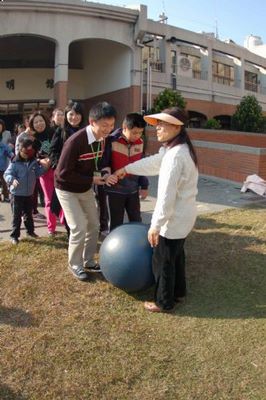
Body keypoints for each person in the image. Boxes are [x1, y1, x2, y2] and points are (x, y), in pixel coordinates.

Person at [114, 107, 198, 313]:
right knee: (176, 257)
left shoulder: (176, 155)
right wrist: (127, 168)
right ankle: (178, 292)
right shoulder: (175, 149)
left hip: (174, 218)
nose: (158, 127)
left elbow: (166, 197)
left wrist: (155, 225)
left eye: (163, 123)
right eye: (157, 123)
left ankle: (164, 302)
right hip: (183, 216)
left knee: (163, 262)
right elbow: (153, 163)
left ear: (177, 127)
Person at [54, 101, 117, 281]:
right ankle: (75, 264)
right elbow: (62, 174)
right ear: (92, 122)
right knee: (79, 227)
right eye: (105, 125)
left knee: (94, 225)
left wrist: (104, 173)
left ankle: (88, 260)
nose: (109, 129)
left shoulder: (102, 140)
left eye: (112, 125)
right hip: (66, 189)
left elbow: (95, 164)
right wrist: (92, 179)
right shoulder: (74, 142)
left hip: (84, 187)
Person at [101, 112, 149, 231]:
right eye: (134, 132)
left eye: (140, 132)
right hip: (115, 190)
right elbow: (102, 163)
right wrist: (106, 176)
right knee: (116, 224)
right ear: (124, 128)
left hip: (133, 190)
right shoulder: (110, 141)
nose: (137, 136)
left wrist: (144, 185)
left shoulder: (141, 143)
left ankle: (137, 247)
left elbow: (142, 165)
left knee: (136, 221)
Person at [4, 138, 50, 245]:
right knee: (16, 216)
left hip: (29, 194)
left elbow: (38, 173)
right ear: (20, 151)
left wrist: (45, 168)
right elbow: (7, 174)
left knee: (28, 215)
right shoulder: (15, 163)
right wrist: (12, 180)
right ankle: (14, 236)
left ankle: (30, 232)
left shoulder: (33, 162)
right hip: (16, 195)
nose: (27, 154)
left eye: (30, 152)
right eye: (25, 151)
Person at [49, 102, 85, 236]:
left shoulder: (87, 131)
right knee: (67, 207)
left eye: (77, 114)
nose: (74, 117)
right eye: (71, 114)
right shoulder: (61, 130)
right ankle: (71, 233)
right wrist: (59, 165)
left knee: (80, 206)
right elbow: (53, 151)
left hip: (82, 175)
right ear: (66, 115)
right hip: (65, 175)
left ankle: (78, 233)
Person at [29, 111, 56, 235]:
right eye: (36, 122)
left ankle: (64, 221)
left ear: (45, 121)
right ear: (32, 125)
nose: (39, 124)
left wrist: (52, 159)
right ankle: (51, 228)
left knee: (62, 198)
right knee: (49, 199)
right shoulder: (32, 139)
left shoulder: (54, 133)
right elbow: (30, 157)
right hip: (44, 173)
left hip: (57, 170)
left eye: (41, 120)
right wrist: (40, 160)